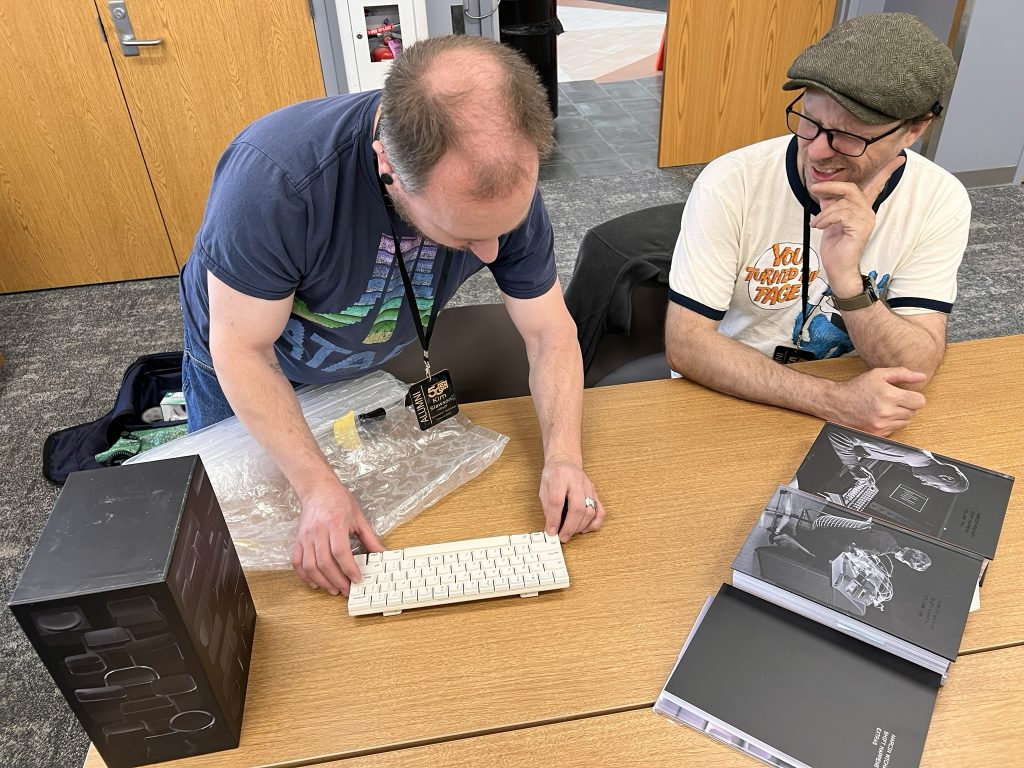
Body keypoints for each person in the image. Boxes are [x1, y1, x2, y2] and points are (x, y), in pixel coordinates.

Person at [178, 36, 604, 597]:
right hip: (250, 359)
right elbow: (242, 352)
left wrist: (564, 458)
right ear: (388, 166)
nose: (491, 253)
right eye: (463, 234)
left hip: (363, 355)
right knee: (246, 555)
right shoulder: (275, 183)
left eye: (505, 227)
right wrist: (316, 487)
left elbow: (549, 332)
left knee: (359, 513)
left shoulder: (498, 185)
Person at [664, 13, 968, 437]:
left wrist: (846, 279)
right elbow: (687, 345)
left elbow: (915, 365)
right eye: (810, 120)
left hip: (864, 401)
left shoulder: (939, 198)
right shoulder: (732, 181)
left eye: (851, 136)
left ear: (913, 130)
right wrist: (832, 401)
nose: (818, 151)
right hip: (737, 391)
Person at [826, 430, 969, 493]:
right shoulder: (913, 454)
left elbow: (862, 442)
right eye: (936, 486)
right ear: (946, 477)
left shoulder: (913, 459)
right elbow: (840, 435)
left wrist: (857, 464)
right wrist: (853, 467)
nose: (926, 484)